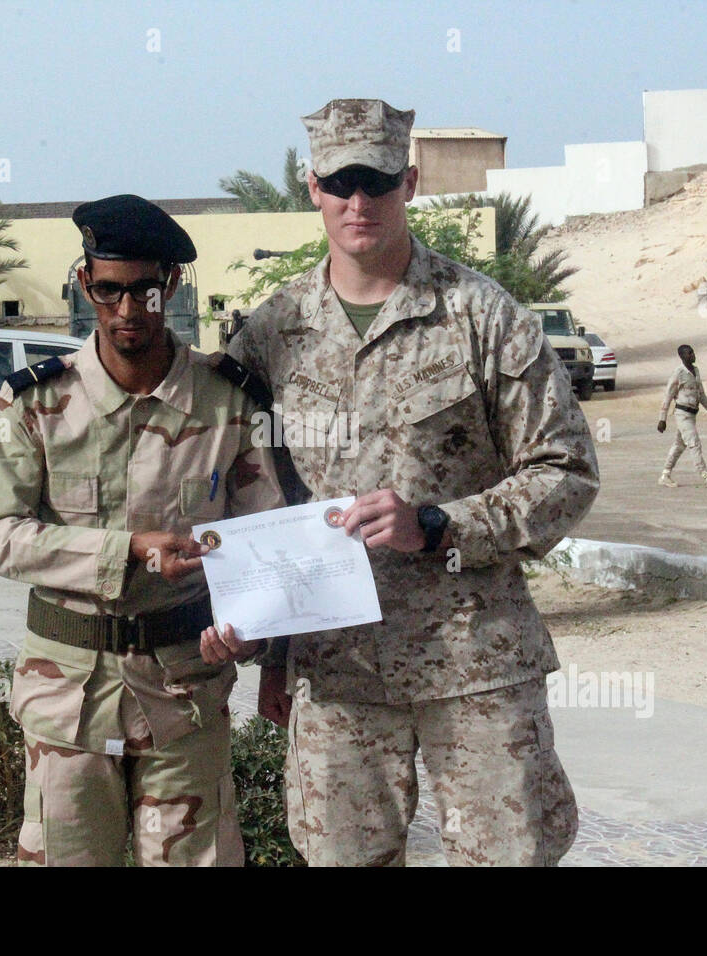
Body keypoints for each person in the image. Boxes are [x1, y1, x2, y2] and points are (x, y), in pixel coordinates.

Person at [214, 98, 599, 867]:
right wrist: (268, 649)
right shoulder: (269, 335)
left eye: (380, 181)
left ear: (410, 182)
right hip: (338, 668)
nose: (361, 202)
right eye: (343, 181)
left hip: (473, 658)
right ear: (314, 187)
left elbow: (567, 470)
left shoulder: (482, 316)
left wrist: (441, 524)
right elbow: (245, 492)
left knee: (509, 855)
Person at [0, 194, 284, 866]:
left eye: (143, 290)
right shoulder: (36, 401)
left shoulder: (227, 401)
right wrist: (128, 550)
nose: (126, 311)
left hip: (185, 692)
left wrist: (253, 626)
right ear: (85, 283)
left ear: (169, 285)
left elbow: (265, 539)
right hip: (68, 697)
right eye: (107, 290)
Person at [657, 344, 707, 489]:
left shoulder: (696, 371)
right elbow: (668, 396)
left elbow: (701, 394)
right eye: (689, 353)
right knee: (694, 443)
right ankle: (706, 476)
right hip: (682, 414)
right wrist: (662, 419)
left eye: (693, 352)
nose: (693, 355)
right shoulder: (678, 373)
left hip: (692, 414)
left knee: (679, 445)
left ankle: (665, 474)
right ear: (682, 356)